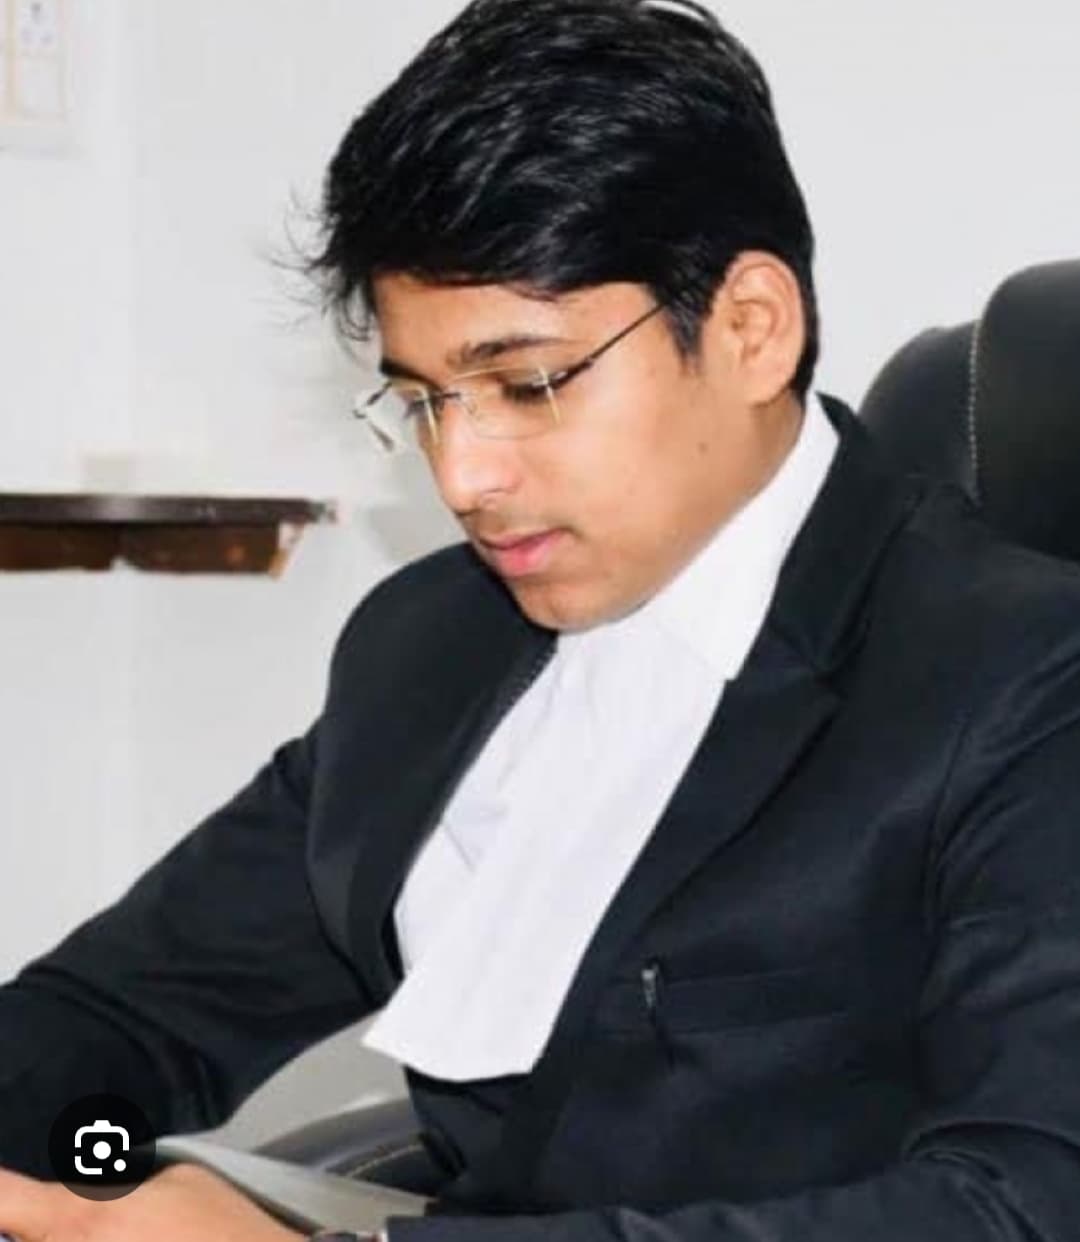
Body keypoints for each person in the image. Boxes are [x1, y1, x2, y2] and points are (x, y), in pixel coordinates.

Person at [3, 1, 1080, 1240]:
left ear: (749, 328)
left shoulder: (1027, 677)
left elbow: (1022, 1208)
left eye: (526, 385)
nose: (464, 476)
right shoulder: (431, 640)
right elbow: (131, 1014)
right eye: (424, 401)